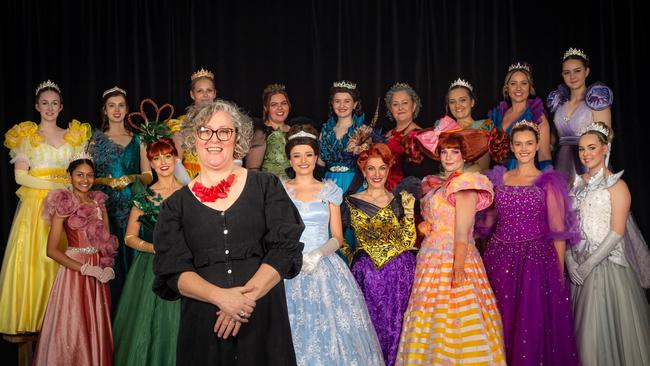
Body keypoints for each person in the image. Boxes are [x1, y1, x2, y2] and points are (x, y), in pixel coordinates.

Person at [153, 99, 304, 365]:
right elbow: (173, 271)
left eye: (224, 131)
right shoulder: (174, 207)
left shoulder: (266, 186)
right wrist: (222, 298)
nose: (215, 139)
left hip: (263, 321)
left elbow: (285, 249)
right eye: (205, 130)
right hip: (204, 328)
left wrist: (243, 301)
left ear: (238, 138)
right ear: (192, 139)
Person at [396, 129, 507, 365]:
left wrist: (458, 266)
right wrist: (424, 226)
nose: (448, 157)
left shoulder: (465, 185)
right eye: (444, 152)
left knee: (456, 316)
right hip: (430, 259)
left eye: (454, 152)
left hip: (456, 256)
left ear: (463, 155)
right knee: (430, 317)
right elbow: (436, 218)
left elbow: (462, 230)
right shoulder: (435, 185)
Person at [480, 121, 581, 365]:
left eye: (529, 143)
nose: (523, 148)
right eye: (518, 144)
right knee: (500, 318)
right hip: (500, 256)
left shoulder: (548, 182)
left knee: (529, 322)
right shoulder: (499, 177)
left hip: (535, 261)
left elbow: (558, 232)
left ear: (537, 146)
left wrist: (557, 272)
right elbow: (489, 220)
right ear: (512, 148)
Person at [282, 124, 384, 365]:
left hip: (324, 263)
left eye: (308, 154)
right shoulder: (280, 190)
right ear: (289, 158)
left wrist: (318, 254)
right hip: (289, 265)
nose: (303, 160)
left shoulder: (330, 190)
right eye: (297, 155)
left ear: (316, 157)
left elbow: (338, 236)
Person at [0, 80, 92, 335]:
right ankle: (38, 317)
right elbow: (20, 177)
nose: (50, 108)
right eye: (45, 103)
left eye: (54, 103)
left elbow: (81, 172)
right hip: (37, 207)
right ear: (37, 106)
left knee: (66, 254)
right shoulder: (26, 136)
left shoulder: (74, 136)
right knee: (38, 257)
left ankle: (65, 316)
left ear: (61, 107)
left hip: (67, 205)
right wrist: (54, 185)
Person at [567, 122, 650, 366]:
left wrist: (588, 265)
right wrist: (570, 261)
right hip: (578, 269)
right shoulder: (574, 184)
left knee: (601, 330)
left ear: (605, 149)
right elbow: (566, 227)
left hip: (606, 268)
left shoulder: (617, 186)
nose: (586, 154)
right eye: (582, 149)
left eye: (592, 147)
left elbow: (617, 232)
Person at [33, 156, 117, 365]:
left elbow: (106, 240)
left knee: (94, 322)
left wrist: (107, 266)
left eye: (90, 175)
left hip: (98, 271)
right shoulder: (64, 203)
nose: (85, 179)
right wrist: (85, 269)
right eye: (79, 174)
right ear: (70, 176)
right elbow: (51, 250)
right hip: (75, 271)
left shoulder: (99, 203)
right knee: (73, 323)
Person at [344, 143, 417, 365]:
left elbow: (409, 240)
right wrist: (354, 258)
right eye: (371, 168)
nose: (377, 174)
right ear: (364, 171)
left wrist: (411, 212)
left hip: (398, 273)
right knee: (368, 327)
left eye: (382, 168)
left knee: (396, 326)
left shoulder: (401, 200)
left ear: (389, 170)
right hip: (366, 274)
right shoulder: (350, 201)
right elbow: (340, 239)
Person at [112, 137, 183, 366]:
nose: (162, 162)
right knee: (148, 325)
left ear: (176, 158)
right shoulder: (144, 197)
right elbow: (130, 237)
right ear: (150, 164)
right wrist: (153, 248)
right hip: (150, 267)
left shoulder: (189, 193)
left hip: (183, 266)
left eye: (167, 156)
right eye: (156, 158)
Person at [90, 86, 150, 305]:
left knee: (132, 254)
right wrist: (106, 181)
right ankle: (111, 309)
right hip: (105, 208)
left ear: (127, 109)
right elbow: (87, 178)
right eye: (112, 106)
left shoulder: (138, 139)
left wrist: (130, 178)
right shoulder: (95, 139)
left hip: (132, 204)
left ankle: (133, 308)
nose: (117, 110)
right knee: (110, 256)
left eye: (121, 105)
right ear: (104, 110)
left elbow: (147, 175)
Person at [548, 48, 613, 178]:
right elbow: (552, 140)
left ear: (586, 71)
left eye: (577, 71)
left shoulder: (596, 101)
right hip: (561, 165)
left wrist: (599, 175)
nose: (572, 77)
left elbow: (606, 140)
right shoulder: (559, 103)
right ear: (563, 75)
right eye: (567, 72)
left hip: (587, 164)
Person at [488, 62, 552, 170]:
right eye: (513, 83)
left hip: (526, 174)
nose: (518, 88)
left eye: (523, 83)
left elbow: (544, 156)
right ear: (507, 87)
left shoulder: (538, 117)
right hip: (500, 174)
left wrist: (548, 182)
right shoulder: (498, 116)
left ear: (530, 87)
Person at [383, 82, 437, 189]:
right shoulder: (384, 135)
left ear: (414, 106)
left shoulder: (424, 136)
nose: (400, 108)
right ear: (390, 109)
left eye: (405, 103)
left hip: (408, 196)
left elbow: (427, 173)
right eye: (395, 104)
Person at [167, 68, 218, 178]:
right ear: (192, 94)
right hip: (189, 178)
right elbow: (177, 162)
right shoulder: (180, 123)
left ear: (214, 93)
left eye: (209, 90)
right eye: (199, 91)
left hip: (218, 177)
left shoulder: (224, 120)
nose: (205, 95)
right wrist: (188, 185)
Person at [445, 78, 494, 172]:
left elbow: (483, 168)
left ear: (472, 102)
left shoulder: (482, 127)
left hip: (474, 182)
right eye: (452, 102)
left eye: (462, 100)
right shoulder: (444, 129)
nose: (457, 105)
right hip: (447, 181)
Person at [245, 83, 291, 178]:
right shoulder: (261, 132)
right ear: (266, 108)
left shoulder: (294, 130)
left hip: (294, 187)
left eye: (283, 103)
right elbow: (252, 170)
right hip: (271, 187)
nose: (280, 108)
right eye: (274, 105)